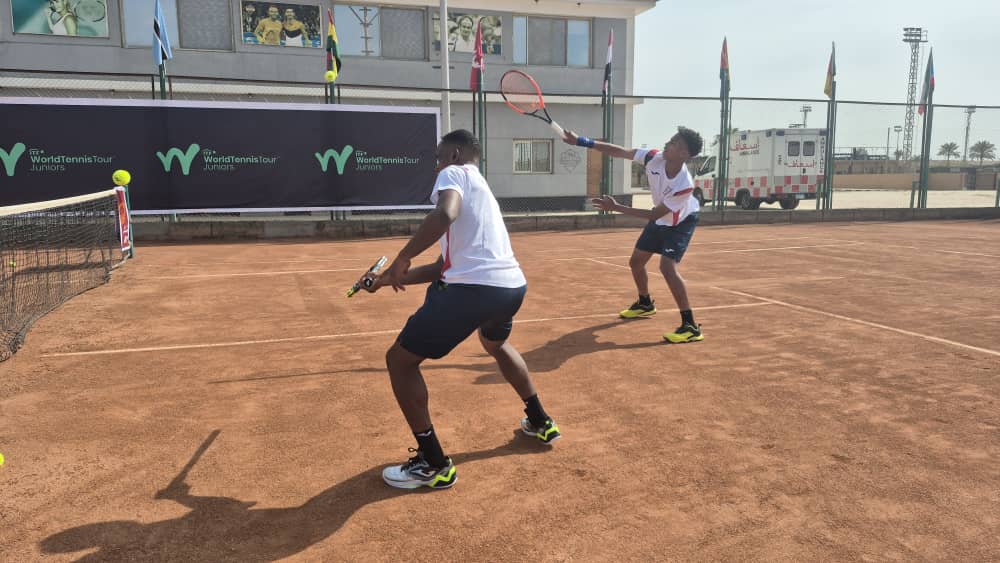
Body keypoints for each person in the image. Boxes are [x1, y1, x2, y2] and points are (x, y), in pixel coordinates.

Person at [358, 129, 560, 490]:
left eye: (438, 157)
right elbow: (442, 267)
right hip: (511, 287)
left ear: (453, 154)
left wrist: (404, 255)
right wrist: (387, 279)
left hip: (471, 291)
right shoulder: (482, 191)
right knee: (496, 345)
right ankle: (541, 420)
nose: (436, 165)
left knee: (400, 361)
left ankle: (434, 464)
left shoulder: (454, 173)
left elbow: (444, 214)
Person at [561, 126, 706, 344]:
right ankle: (645, 304)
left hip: (680, 221)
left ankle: (690, 326)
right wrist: (582, 141)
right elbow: (620, 151)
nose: (668, 144)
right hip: (660, 217)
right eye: (670, 139)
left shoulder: (684, 185)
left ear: (684, 154)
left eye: (674, 143)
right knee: (636, 262)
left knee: (666, 267)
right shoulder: (653, 158)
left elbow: (653, 214)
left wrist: (616, 207)